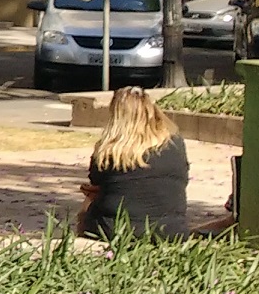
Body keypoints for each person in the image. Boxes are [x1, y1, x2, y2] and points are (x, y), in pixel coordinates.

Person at [78, 87, 190, 238]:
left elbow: (96, 181)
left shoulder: (109, 150)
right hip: (170, 230)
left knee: (88, 202)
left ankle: (83, 239)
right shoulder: (175, 143)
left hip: (116, 229)